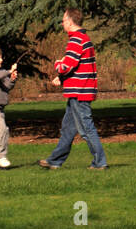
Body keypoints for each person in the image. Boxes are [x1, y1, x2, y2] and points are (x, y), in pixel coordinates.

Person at [38, 9, 107, 170]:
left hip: (79, 92)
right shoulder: (84, 38)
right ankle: (54, 161)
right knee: (68, 128)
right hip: (79, 90)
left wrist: (57, 64)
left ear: (69, 21)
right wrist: (61, 78)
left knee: (85, 129)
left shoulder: (76, 40)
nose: (62, 24)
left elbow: (67, 65)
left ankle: (100, 162)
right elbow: (79, 67)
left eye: (63, 21)